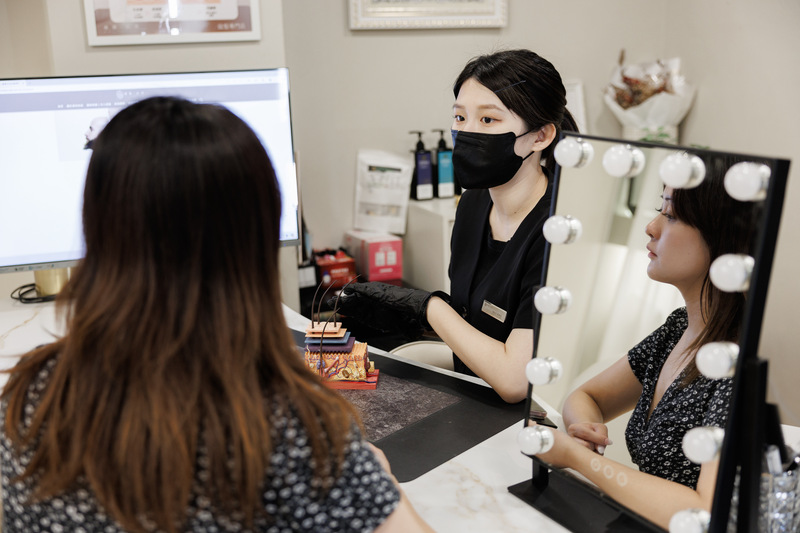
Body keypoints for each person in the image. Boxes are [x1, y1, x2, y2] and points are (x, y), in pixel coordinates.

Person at [1, 97, 432, 533]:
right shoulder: (298, 434)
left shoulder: (29, 399)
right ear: (254, 240)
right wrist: (372, 484)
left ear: (97, 223)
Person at [336, 50, 578, 403]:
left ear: (540, 136)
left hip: (535, 415)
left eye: (488, 120)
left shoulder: (557, 234)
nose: (466, 132)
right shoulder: (474, 204)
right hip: (475, 391)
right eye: (460, 117)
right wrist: (411, 317)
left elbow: (515, 382)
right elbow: (474, 323)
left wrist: (430, 308)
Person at [531, 155, 760, 529]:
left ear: (721, 235)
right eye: (659, 210)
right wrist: (587, 430)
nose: (651, 227)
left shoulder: (734, 363)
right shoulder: (678, 328)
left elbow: (702, 514)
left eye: (671, 215)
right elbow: (586, 397)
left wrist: (577, 458)